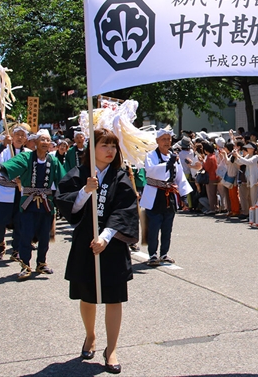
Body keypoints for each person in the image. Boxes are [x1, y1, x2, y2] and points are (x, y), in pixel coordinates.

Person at [55, 129, 139, 372]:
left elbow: (124, 210)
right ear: (92, 149)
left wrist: (105, 237)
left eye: (113, 145)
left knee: (114, 297)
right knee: (87, 295)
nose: (110, 150)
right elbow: (64, 201)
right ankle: (90, 335)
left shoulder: (120, 177)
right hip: (85, 243)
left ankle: (111, 349)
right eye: (104, 145)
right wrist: (85, 192)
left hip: (110, 244)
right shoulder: (79, 174)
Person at [0, 129, 67, 280]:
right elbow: (14, 164)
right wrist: (0, 168)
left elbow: (64, 179)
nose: (46, 143)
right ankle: (25, 264)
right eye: (43, 140)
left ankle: (41, 262)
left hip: (46, 203)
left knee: (44, 235)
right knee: (26, 234)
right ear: (35, 142)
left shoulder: (53, 160)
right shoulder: (26, 156)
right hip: (28, 202)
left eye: (48, 140)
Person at [139, 129, 192, 267]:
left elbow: (180, 177)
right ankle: (153, 254)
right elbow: (151, 171)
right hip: (155, 195)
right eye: (163, 139)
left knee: (167, 227)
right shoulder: (151, 155)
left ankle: (164, 253)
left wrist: (184, 196)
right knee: (154, 227)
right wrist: (168, 164)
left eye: (169, 139)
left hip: (170, 195)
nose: (167, 142)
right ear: (157, 141)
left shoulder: (173, 156)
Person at [0, 126, 30, 261]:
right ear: (12, 136)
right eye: (17, 134)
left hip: (21, 192)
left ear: (26, 139)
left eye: (22, 135)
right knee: (1, 221)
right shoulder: (5, 150)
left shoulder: (29, 153)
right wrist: (2, 145)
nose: (20, 137)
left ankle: (16, 249)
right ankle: (1, 243)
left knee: (20, 222)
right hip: (5, 191)